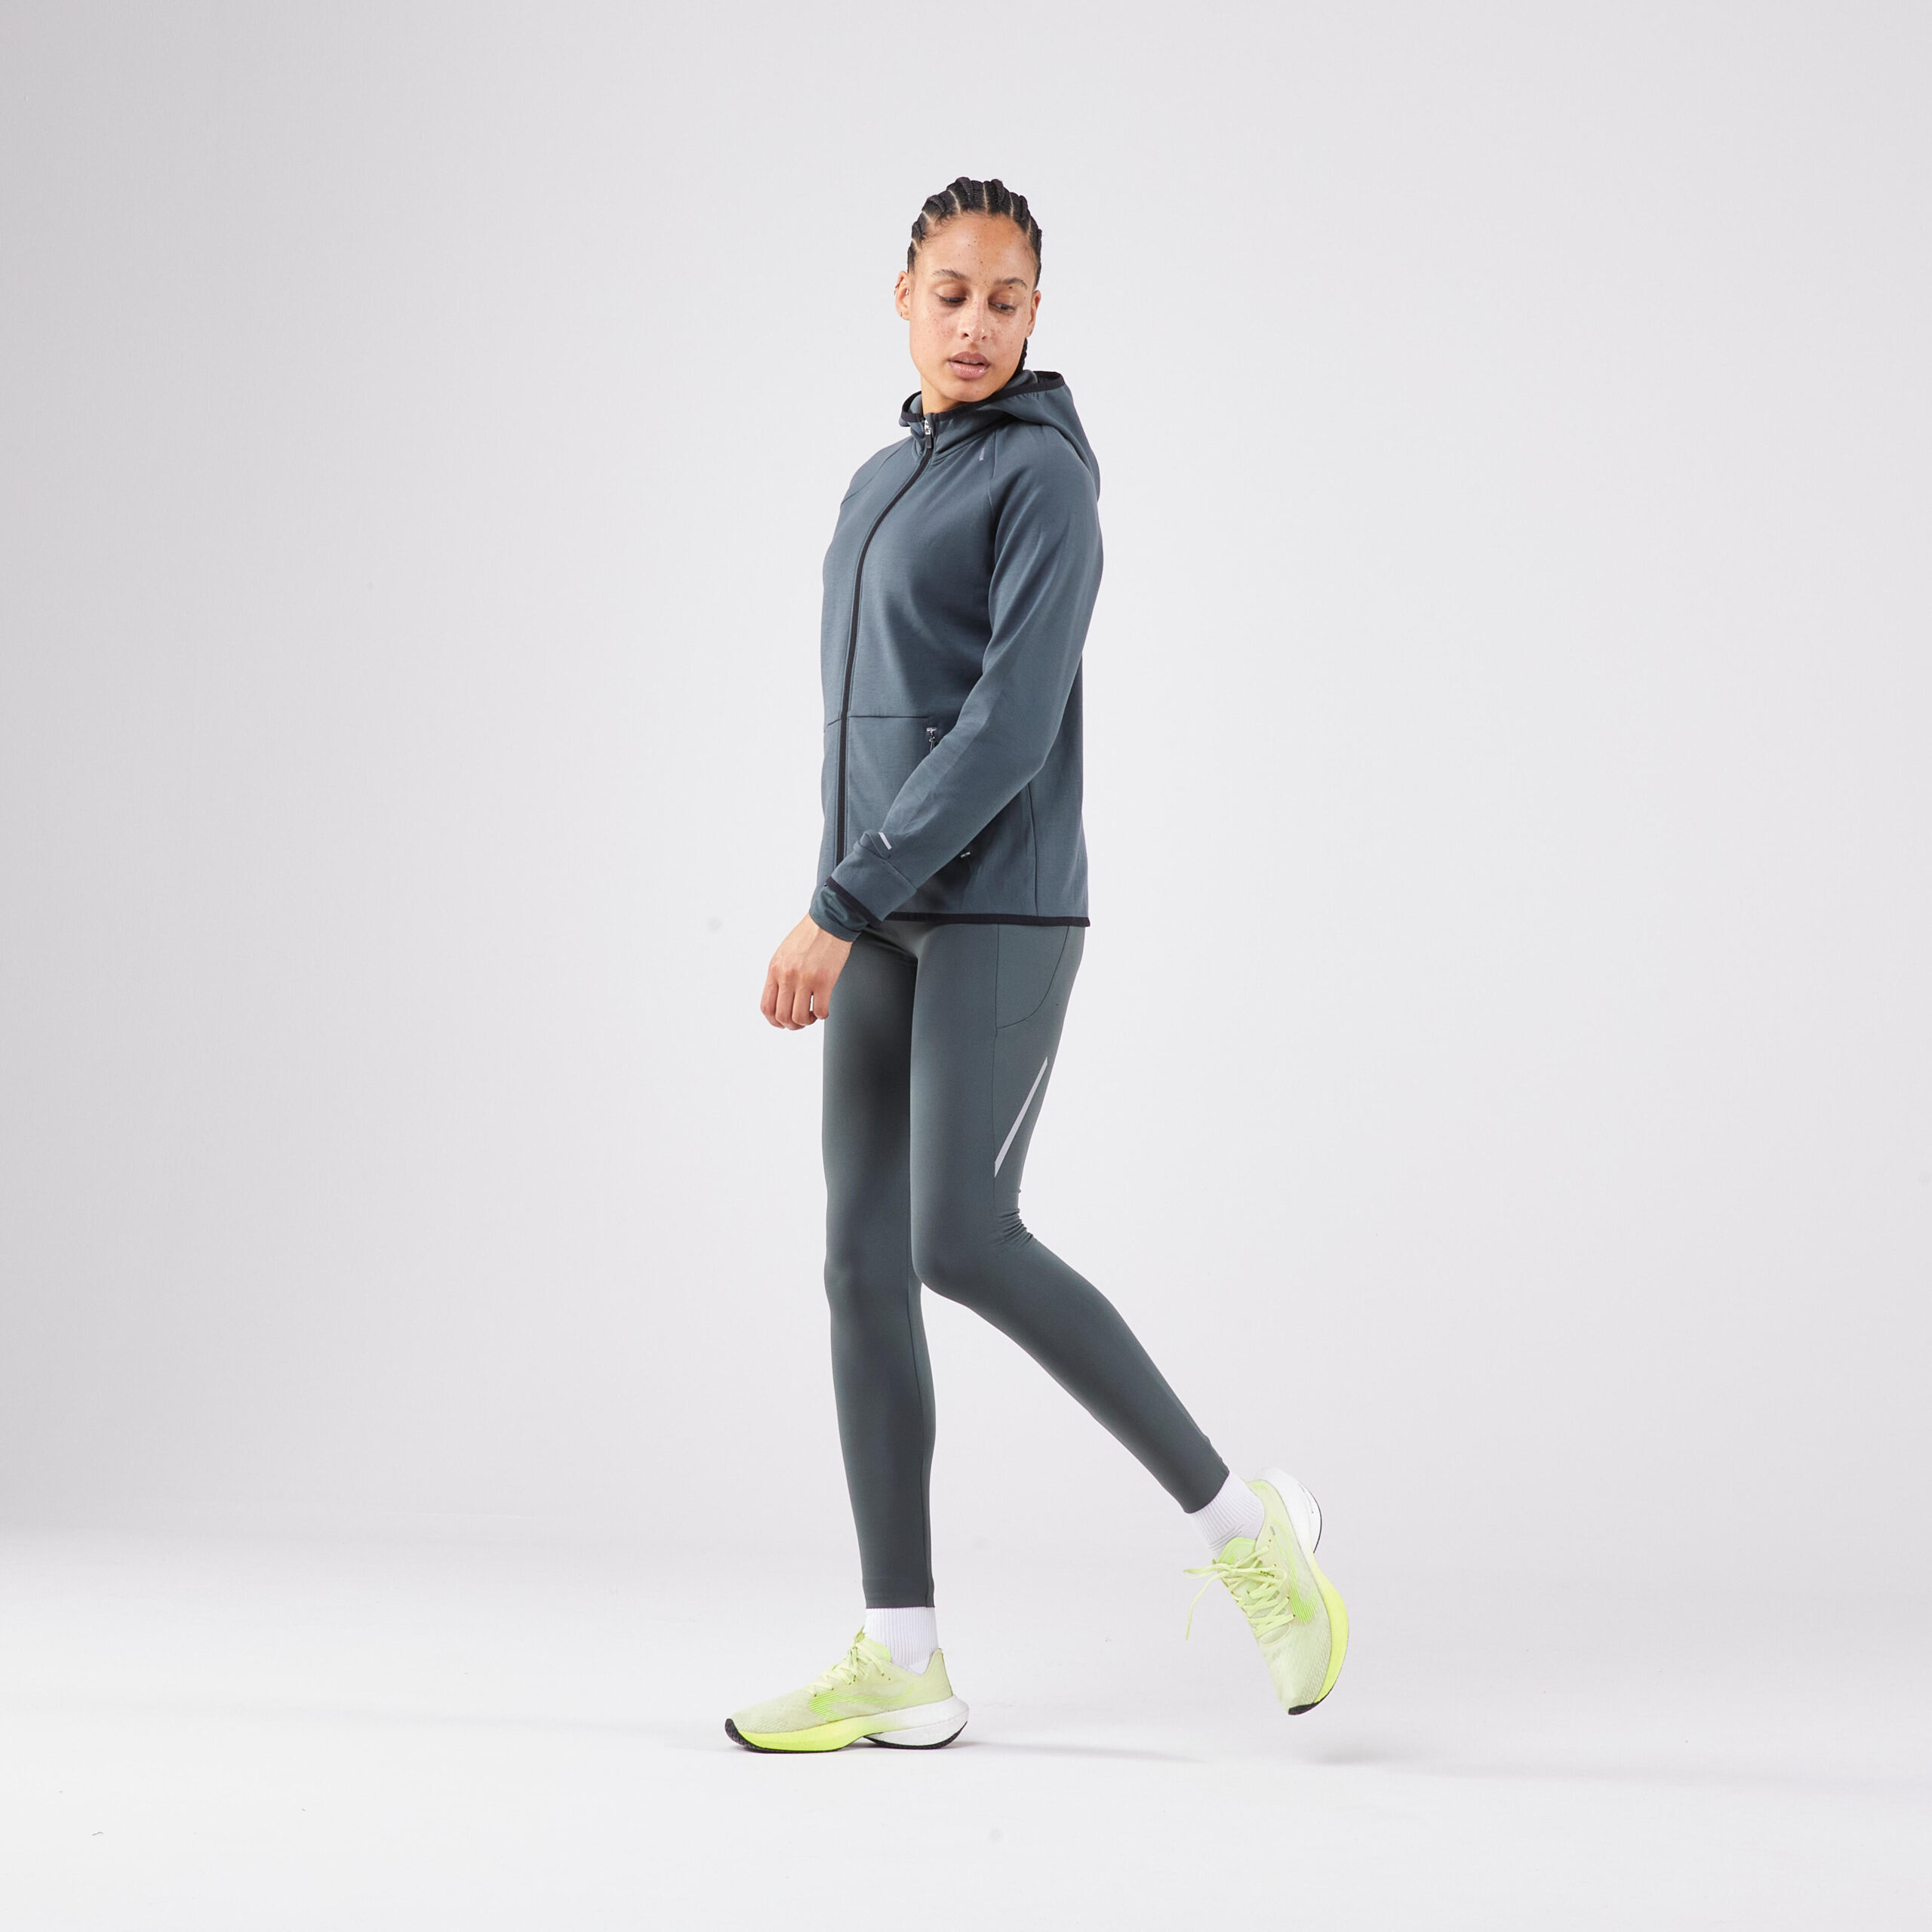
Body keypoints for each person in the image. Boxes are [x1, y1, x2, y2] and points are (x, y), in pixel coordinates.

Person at [728, 178, 1346, 1753]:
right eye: (949, 292)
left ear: (1034, 314)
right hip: (878, 909)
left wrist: (838, 900)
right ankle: (902, 1654)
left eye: (1004, 300)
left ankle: (1243, 1528)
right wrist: (846, 895)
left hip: (995, 909)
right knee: (859, 1262)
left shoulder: (1046, 478)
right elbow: (867, 726)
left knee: (960, 1237)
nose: (974, 324)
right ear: (901, 294)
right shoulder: (878, 479)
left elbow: (1007, 729)